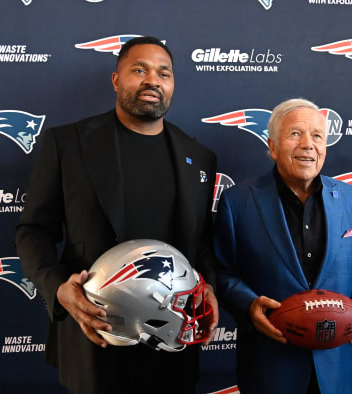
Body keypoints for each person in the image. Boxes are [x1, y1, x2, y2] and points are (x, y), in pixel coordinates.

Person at [15, 36, 219, 394]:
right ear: (116, 80)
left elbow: (202, 241)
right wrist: (58, 290)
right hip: (95, 333)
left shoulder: (199, 157)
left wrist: (209, 288)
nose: (152, 81)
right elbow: (33, 230)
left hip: (172, 335)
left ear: (172, 84)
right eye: (138, 70)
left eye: (163, 74)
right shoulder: (68, 143)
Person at [214, 98, 352, 394]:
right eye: (295, 134)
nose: (308, 144)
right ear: (273, 146)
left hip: (337, 367)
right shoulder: (238, 202)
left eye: (317, 135)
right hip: (270, 368)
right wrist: (249, 305)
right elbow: (224, 274)